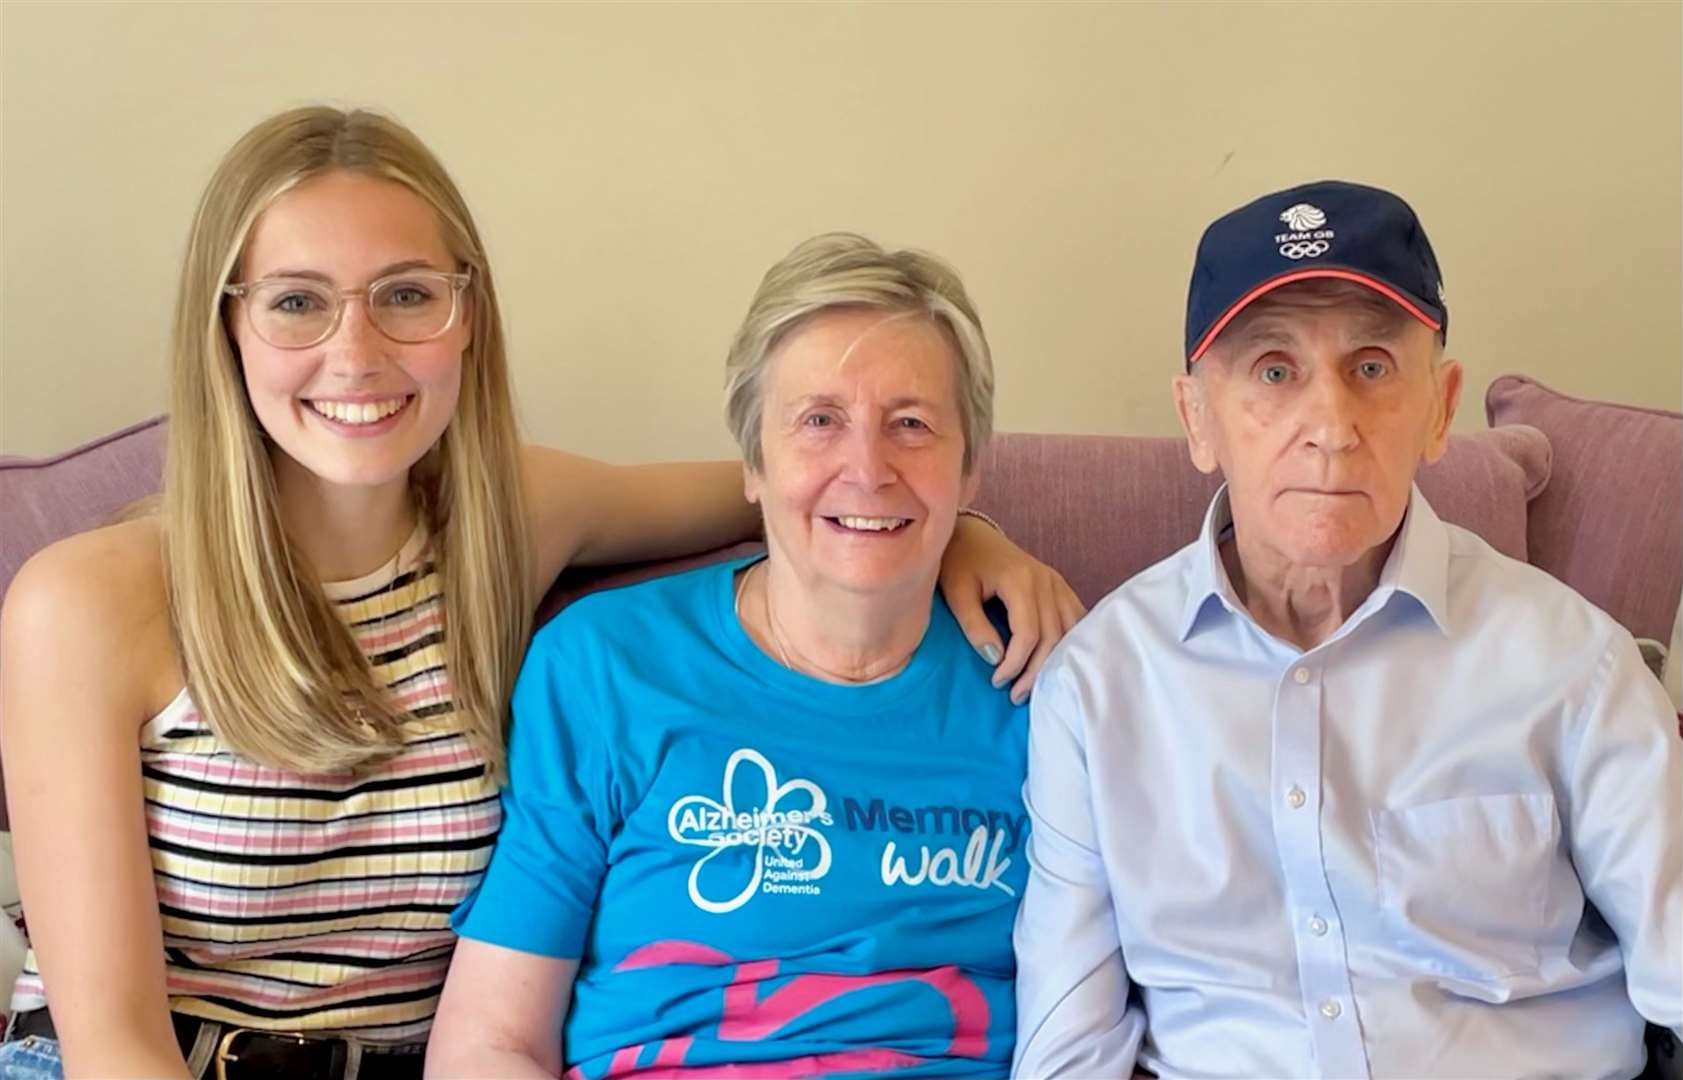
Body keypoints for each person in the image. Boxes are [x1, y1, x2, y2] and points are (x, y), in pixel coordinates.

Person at [0, 108, 1078, 1080]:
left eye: (408, 296)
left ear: (466, 315)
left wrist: (959, 533)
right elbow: (112, 1047)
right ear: (225, 328)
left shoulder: (508, 521)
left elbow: (807, 485)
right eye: (297, 304)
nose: (358, 354)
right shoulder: (90, 604)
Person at [1012, 180, 1682, 1078]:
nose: (1330, 426)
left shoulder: (1571, 664)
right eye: (1274, 371)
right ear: (1196, 418)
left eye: (1370, 367)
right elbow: (1069, 1045)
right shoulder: (1098, 687)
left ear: (1438, 408)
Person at [427, 233, 1048, 1079]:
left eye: (911, 424)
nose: (867, 469)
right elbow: (489, 1042)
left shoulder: (1046, 685)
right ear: (751, 461)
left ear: (971, 469)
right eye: (818, 421)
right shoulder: (606, 666)